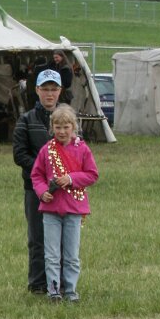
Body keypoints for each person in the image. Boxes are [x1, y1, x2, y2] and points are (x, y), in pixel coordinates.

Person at [31, 105, 98, 301]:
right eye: (58, 127)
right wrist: (42, 192)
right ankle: (53, 290)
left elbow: (92, 174)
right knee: (51, 254)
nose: (62, 131)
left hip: (74, 208)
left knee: (71, 255)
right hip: (51, 209)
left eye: (66, 127)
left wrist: (71, 178)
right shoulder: (46, 150)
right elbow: (37, 175)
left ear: (73, 127)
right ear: (52, 127)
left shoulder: (83, 149)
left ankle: (70, 290)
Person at [13, 68, 63, 295]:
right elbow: (19, 155)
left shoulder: (67, 120)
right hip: (34, 189)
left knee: (62, 239)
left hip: (62, 190)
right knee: (37, 238)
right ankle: (38, 284)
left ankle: (61, 283)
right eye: (45, 89)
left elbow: (77, 151)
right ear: (37, 90)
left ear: (60, 91)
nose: (49, 94)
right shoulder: (26, 120)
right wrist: (43, 170)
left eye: (54, 89)